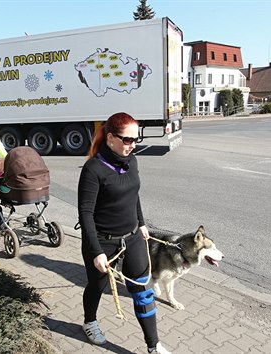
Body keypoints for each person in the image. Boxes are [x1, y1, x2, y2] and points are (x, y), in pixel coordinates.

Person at [77, 112, 170, 354]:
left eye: (135, 139)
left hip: (132, 238)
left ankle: (153, 346)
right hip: (102, 243)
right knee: (96, 287)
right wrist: (96, 252)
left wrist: (141, 223)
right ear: (110, 138)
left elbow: (133, 194)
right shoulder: (93, 169)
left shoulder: (132, 161)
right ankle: (89, 321)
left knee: (143, 290)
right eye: (127, 139)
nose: (133, 144)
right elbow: (85, 213)